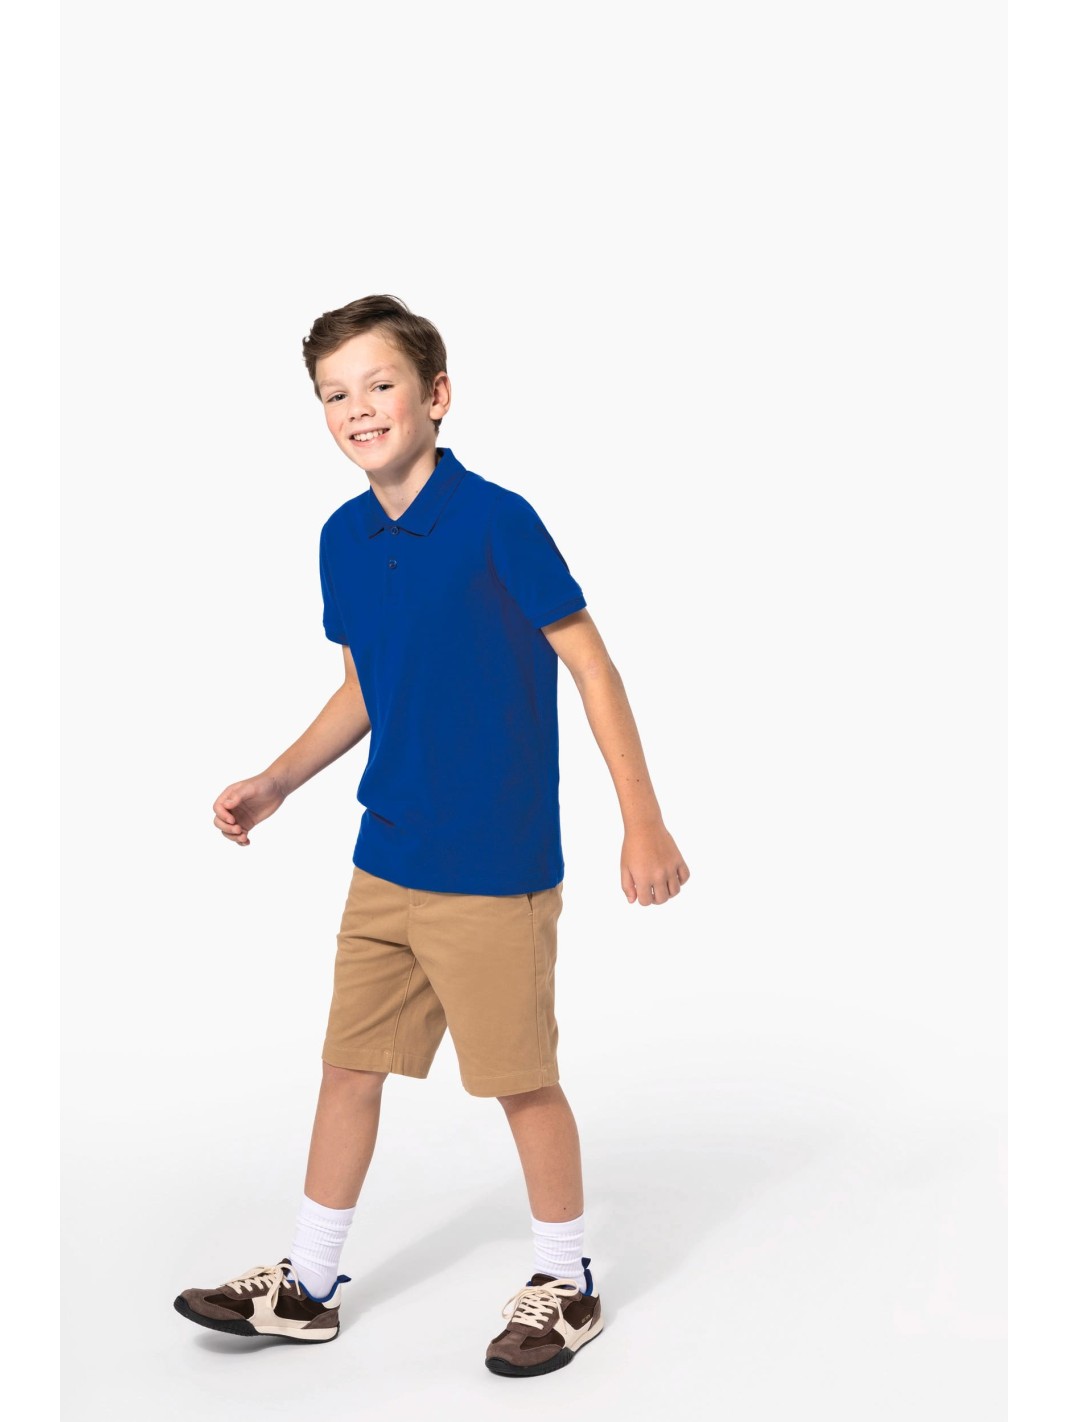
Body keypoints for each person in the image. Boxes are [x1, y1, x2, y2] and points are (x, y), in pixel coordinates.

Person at [173, 293, 690, 1377]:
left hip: (494, 868)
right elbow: (364, 687)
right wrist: (277, 781)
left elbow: (590, 664)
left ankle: (568, 1282)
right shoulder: (342, 538)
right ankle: (309, 1287)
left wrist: (641, 820)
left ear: (436, 395)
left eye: (380, 384)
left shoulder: (498, 519)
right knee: (348, 1068)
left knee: (518, 1080)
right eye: (334, 394)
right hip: (387, 858)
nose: (358, 408)